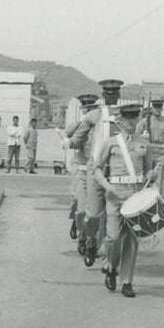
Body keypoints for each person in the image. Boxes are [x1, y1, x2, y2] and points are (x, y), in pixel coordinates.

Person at [92, 101, 161, 298]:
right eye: (127, 117)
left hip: (135, 196)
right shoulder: (111, 143)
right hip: (115, 194)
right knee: (113, 238)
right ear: (120, 120)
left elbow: (148, 169)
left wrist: (152, 175)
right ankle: (111, 267)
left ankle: (127, 281)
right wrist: (106, 186)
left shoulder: (144, 143)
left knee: (132, 240)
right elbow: (97, 168)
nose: (131, 121)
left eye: (134, 117)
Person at [82, 79, 124, 265]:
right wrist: (75, 141)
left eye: (115, 94)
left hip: (116, 169)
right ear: (103, 96)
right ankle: (90, 241)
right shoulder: (96, 114)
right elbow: (80, 132)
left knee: (113, 216)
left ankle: (108, 257)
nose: (111, 97)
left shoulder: (125, 116)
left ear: (119, 95)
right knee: (92, 214)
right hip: (97, 167)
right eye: (108, 94)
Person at [65, 92, 99, 248]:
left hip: (93, 170)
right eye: (85, 108)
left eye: (90, 108)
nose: (88, 111)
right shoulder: (79, 124)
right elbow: (69, 136)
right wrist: (79, 125)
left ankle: (86, 237)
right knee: (78, 203)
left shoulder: (100, 127)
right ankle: (78, 226)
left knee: (92, 208)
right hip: (80, 167)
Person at [139, 98, 164, 194]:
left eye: (159, 108)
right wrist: (142, 136)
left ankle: (156, 201)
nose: (157, 110)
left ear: (162, 109)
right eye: (155, 107)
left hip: (161, 153)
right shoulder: (145, 121)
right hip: (148, 152)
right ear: (152, 108)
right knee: (146, 178)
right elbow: (135, 136)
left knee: (159, 179)